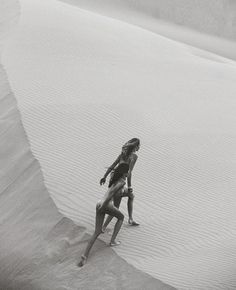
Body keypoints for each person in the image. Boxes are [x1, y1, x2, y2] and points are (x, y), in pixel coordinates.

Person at [78, 163, 129, 267]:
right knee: (121, 217)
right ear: (124, 172)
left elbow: (115, 191)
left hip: (99, 203)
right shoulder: (122, 182)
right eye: (127, 171)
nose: (128, 173)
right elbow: (111, 194)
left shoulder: (114, 179)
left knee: (97, 232)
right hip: (106, 204)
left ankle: (84, 255)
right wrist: (104, 206)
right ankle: (113, 241)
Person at [100, 138, 140, 229]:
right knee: (115, 208)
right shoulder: (133, 157)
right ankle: (103, 227)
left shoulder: (122, 155)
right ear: (136, 147)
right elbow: (129, 173)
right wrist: (129, 186)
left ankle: (130, 219)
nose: (139, 148)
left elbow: (112, 166)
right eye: (139, 146)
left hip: (113, 181)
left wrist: (104, 177)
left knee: (131, 196)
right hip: (120, 184)